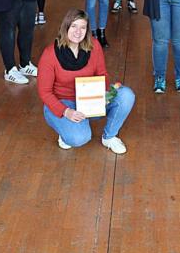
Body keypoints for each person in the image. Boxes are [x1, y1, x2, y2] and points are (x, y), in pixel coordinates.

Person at [38, 9, 135, 154]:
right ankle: (65, 132)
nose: (78, 31)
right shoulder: (50, 54)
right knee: (79, 138)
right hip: (64, 102)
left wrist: (103, 94)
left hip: (89, 99)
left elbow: (102, 74)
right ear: (66, 28)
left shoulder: (94, 45)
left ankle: (109, 137)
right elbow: (44, 92)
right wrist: (66, 111)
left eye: (83, 27)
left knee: (126, 95)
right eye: (74, 26)